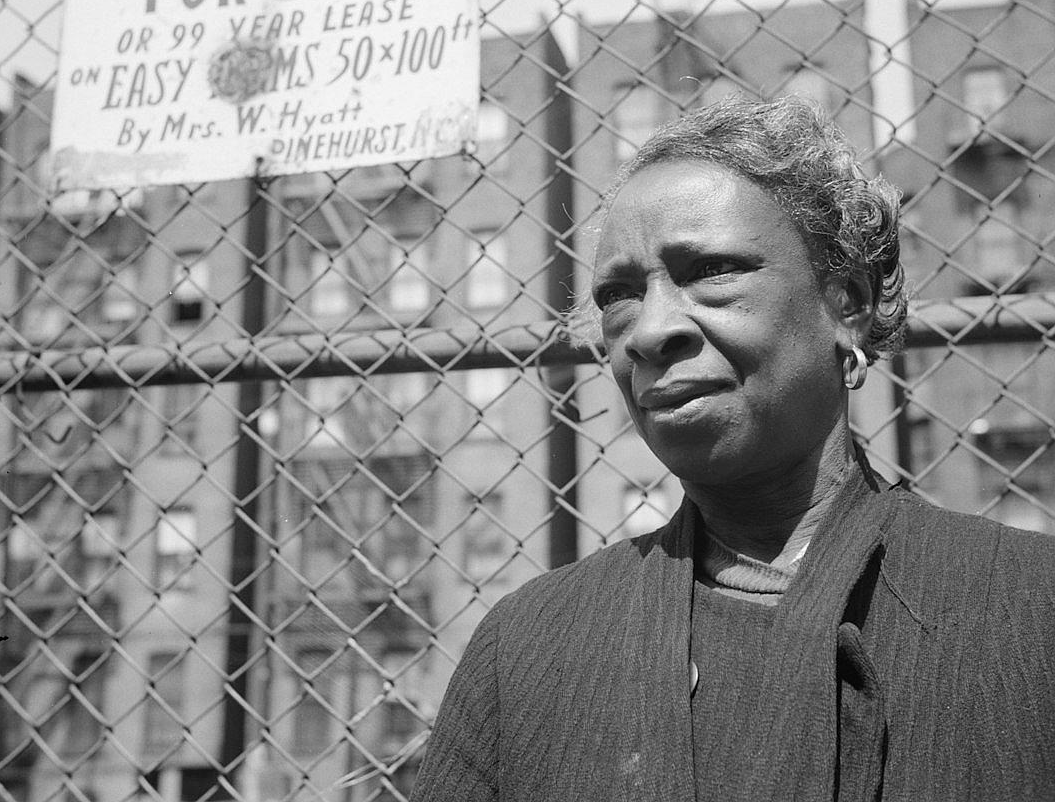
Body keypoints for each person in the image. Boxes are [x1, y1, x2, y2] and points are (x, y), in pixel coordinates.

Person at [410, 95, 1055, 801]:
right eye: (619, 295)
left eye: (712, 271)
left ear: (848, 302)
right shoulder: (528, 650)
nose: (651, 330)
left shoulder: (1025, 610)